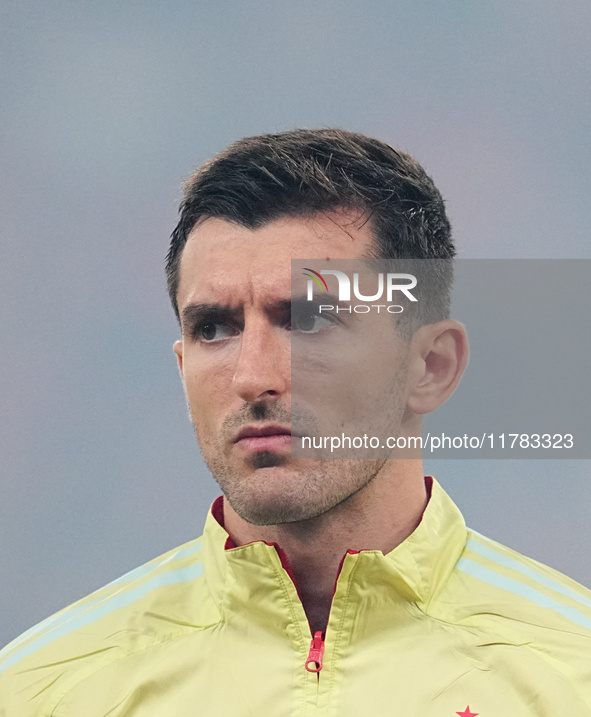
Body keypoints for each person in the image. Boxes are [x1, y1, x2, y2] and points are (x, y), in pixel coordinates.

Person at [1, 129, 590, 716]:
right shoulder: (42, 690)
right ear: (182, 366)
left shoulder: (573, 672)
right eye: (214, 328)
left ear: (430, 366)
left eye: (309, 321)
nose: (253, 377)